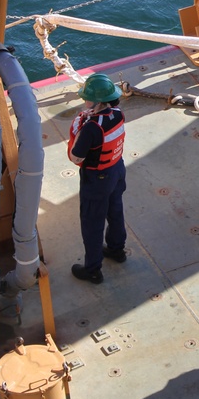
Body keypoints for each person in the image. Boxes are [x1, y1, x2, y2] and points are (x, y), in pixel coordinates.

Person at [68, 73, 127, 284]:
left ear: (97, 101)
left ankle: (92, 269)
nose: (85, 101)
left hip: (97, 179)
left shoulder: (91, 127)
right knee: (115, 211)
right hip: (117, 171)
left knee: (92, 223)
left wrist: (77, 129)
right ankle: (116, 249)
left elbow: (76, 157)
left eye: (87, 97)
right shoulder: (118, 114)